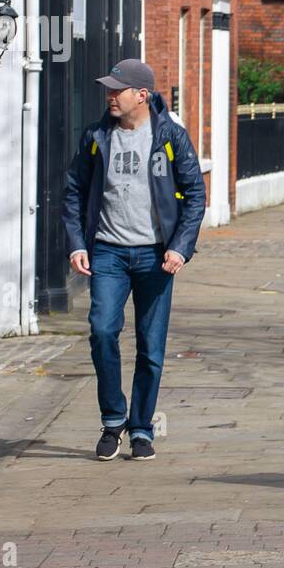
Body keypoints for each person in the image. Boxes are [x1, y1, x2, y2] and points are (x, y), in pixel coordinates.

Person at [62, 58, 206, 462]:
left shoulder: (171, 138)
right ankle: (113, 421)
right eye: (109, 90)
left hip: (156, 256)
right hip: (107, 250)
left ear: (141, 95)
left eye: (117, 90)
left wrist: (180, 247)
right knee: (102, 330)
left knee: (151, 346)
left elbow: (195, 196)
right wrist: (77, 243)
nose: (110, 96)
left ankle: (142, 429)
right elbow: (73, 191)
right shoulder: (96, 137)